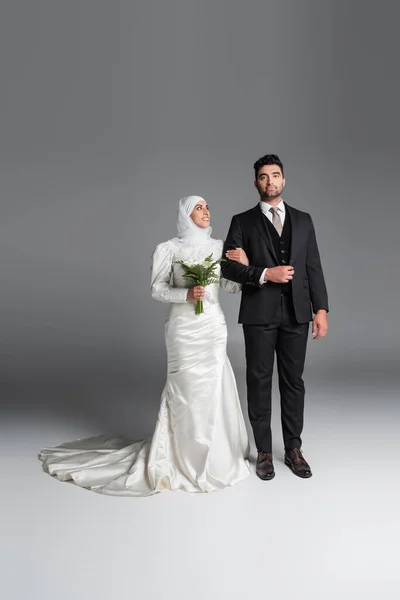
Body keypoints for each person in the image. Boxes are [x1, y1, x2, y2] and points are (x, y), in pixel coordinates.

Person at [39, 196, 251, 496]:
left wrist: (244, 266)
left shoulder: (219, 248)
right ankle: (179, 457)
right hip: (182, 329)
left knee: (213, 388)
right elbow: (157, 289)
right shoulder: (169, 249)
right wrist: (186, 295)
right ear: (185, 215)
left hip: (212, 327)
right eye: (199, 208)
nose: (207, 212)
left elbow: (229, 286)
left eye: (207, 207)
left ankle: (216, 457)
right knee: (185, 391)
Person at [222, 154, 329, 481]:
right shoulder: (242, 221)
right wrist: (266, 273)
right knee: (259, 381)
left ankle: (293, 448)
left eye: (276, 175)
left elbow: (313, 266)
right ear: (256, 183)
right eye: (264, 177)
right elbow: (227, 267)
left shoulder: (304, 219)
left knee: (293, 382)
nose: (271, 181)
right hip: (258, 314)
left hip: (298, 314)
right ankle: (264, 452)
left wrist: (321, 309)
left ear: (284, 180)